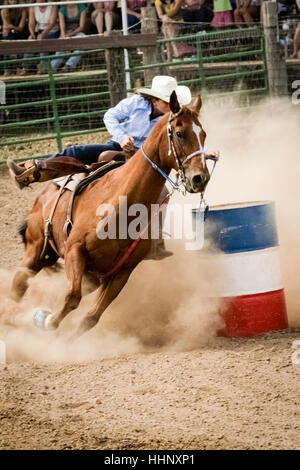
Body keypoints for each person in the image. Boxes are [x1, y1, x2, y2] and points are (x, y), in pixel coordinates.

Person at [8, 76, 192, 260]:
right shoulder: (136, 103)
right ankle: (31, 172)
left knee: (162, 192)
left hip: (143, 160)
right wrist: (121, 137)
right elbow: (110, 116)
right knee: (75, 151)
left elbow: (187, 138)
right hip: (117, 147)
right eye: (167, 102)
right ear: (155, 100)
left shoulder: (170, 121)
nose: (170, 106)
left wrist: (204, 153)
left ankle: (155, 243)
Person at [20, 0, 59, 75]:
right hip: (39, 31)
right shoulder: (33, 7)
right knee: (30, 41)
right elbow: (31, 23)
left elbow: (52, 23)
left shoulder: (53, 5)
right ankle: (25, 67)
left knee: (42, 41)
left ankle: (43, 66)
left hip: (52, 31)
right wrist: (32, 34)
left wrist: (43, 34)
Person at [51, 2, 87, 73]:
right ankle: (52, 67)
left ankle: (69, 65)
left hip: (77, 32)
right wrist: (64, 36)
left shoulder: (82, 7)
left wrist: (72, 34)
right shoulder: (62, 9)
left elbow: (81, 26)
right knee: (60, 47)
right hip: (65, 32)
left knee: (83, 40)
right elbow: (62, 27)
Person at [1, 0, 27, 76]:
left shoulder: (22, 10)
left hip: (21, 33)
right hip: (10, 34)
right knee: (6, 40)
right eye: (11, 0)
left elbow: (21, 28)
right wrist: (11, 28)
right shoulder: (3, 11)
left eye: (15, 0)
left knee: (9, 39)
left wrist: (12, 27)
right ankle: (8, 69)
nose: (14, 1)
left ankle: (17, 68)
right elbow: (7, 26)